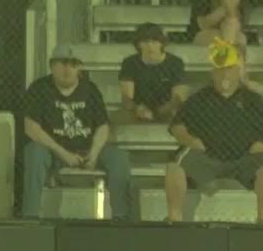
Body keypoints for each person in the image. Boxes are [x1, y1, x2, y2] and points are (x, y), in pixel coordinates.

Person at [164, 40, 263, 223]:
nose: (225, 74)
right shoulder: (200, 98)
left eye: (229, 69)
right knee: (174, 166)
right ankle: (174, 218)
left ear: (238, 71)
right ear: (212, 73)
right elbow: (176, 126)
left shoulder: (252, 99)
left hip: (244, 159)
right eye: (220, 70)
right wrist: (190, 140)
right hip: (207, 158)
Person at [21, 44, 133, 220]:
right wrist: (64, 154)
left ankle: (122, 218)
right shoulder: (40, 88)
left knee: (119, 157)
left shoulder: (90, 90)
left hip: (87, 150)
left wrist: (94, 154)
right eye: (63, 63)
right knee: (34, 153)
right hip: (54, 152)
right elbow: (31, 127)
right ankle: (30, 217)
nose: (68, 69)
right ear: (52, 66)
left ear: (79, 68)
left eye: (73, 64)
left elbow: (103, 126)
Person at [117, 23, 188, 124]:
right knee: (120, 117)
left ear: (162, 43)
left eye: (155, 41)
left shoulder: (175, 63)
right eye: (145, 42)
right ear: (138, 44)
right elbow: (126, 98)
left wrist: (159, 112)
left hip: (167, 109)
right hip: (138, 109)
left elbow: (178, 98)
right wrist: (137, 109)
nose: (150, 46)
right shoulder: (130, 63)